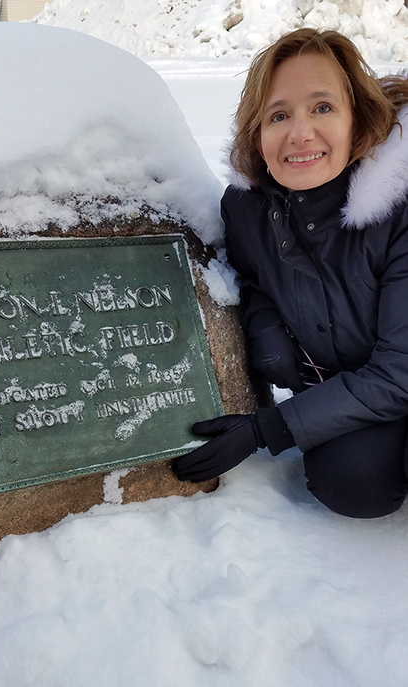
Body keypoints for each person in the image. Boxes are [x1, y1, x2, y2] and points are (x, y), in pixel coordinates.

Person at [174, 28, 408, 518]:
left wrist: (269, 428)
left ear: (356, 119)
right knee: (350, 483)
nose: (300, 134)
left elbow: (400, 374)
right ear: (257, 136)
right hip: (355, 386)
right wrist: (268, 333)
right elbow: (255, 278)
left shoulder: (399, 205)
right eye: (279, 115)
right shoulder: (246, 210)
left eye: (322, 107)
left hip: (396, 375)